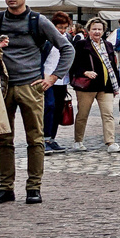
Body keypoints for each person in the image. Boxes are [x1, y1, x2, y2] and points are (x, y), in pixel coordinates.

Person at [0, 0, 74, 206]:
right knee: (3, 139)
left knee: (35, 139)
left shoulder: (37, 21)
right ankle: (5, 188)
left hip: (31, 86)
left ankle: (33, 187)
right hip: (1, 88)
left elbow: (67, 48)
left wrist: (53, 77)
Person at [68, 17, 120, 151]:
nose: (97, 32)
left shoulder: (108, 45)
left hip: (106, 86)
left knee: (108, 114)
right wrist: (84, 72)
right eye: (94, 29)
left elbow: (113, 66)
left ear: (104, 31)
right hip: (87, 86)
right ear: (89, 30)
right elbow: (73, 64)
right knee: (82, 114)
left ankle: (110, 142)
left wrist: (117, 85)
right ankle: (78, 141)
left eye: (99, 29)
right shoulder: (82, 44)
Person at [42, 13, 75, 152]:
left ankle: (52, 138)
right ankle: (43, 139)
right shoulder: (47, 40)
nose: (62, 30)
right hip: (47, 78)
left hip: (62, 79)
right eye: (59, 27)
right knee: (49, 106)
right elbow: (42, 58)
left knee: (58, 109)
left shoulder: (68, 39)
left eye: (65, 27)